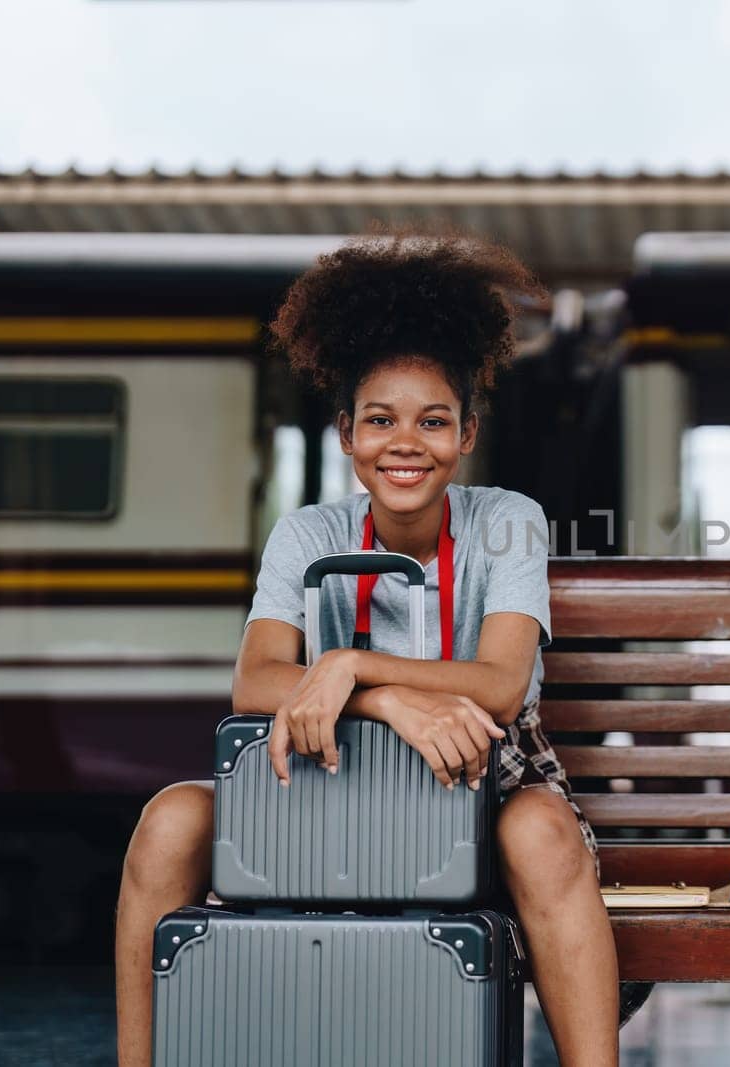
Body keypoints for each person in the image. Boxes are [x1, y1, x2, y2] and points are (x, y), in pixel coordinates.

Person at [114, 232, 620, 1066]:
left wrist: (351, 663)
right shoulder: (306, 531)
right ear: (347, 433)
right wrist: (381, 699)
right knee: (170, 820)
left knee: (542, 832)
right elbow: (254, 682)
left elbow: (498, 686)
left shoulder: (508, 520)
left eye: (433, 420)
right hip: (333, 781)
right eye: (380, 419)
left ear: (466, 433)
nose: (405, 442)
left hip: (478, 778)